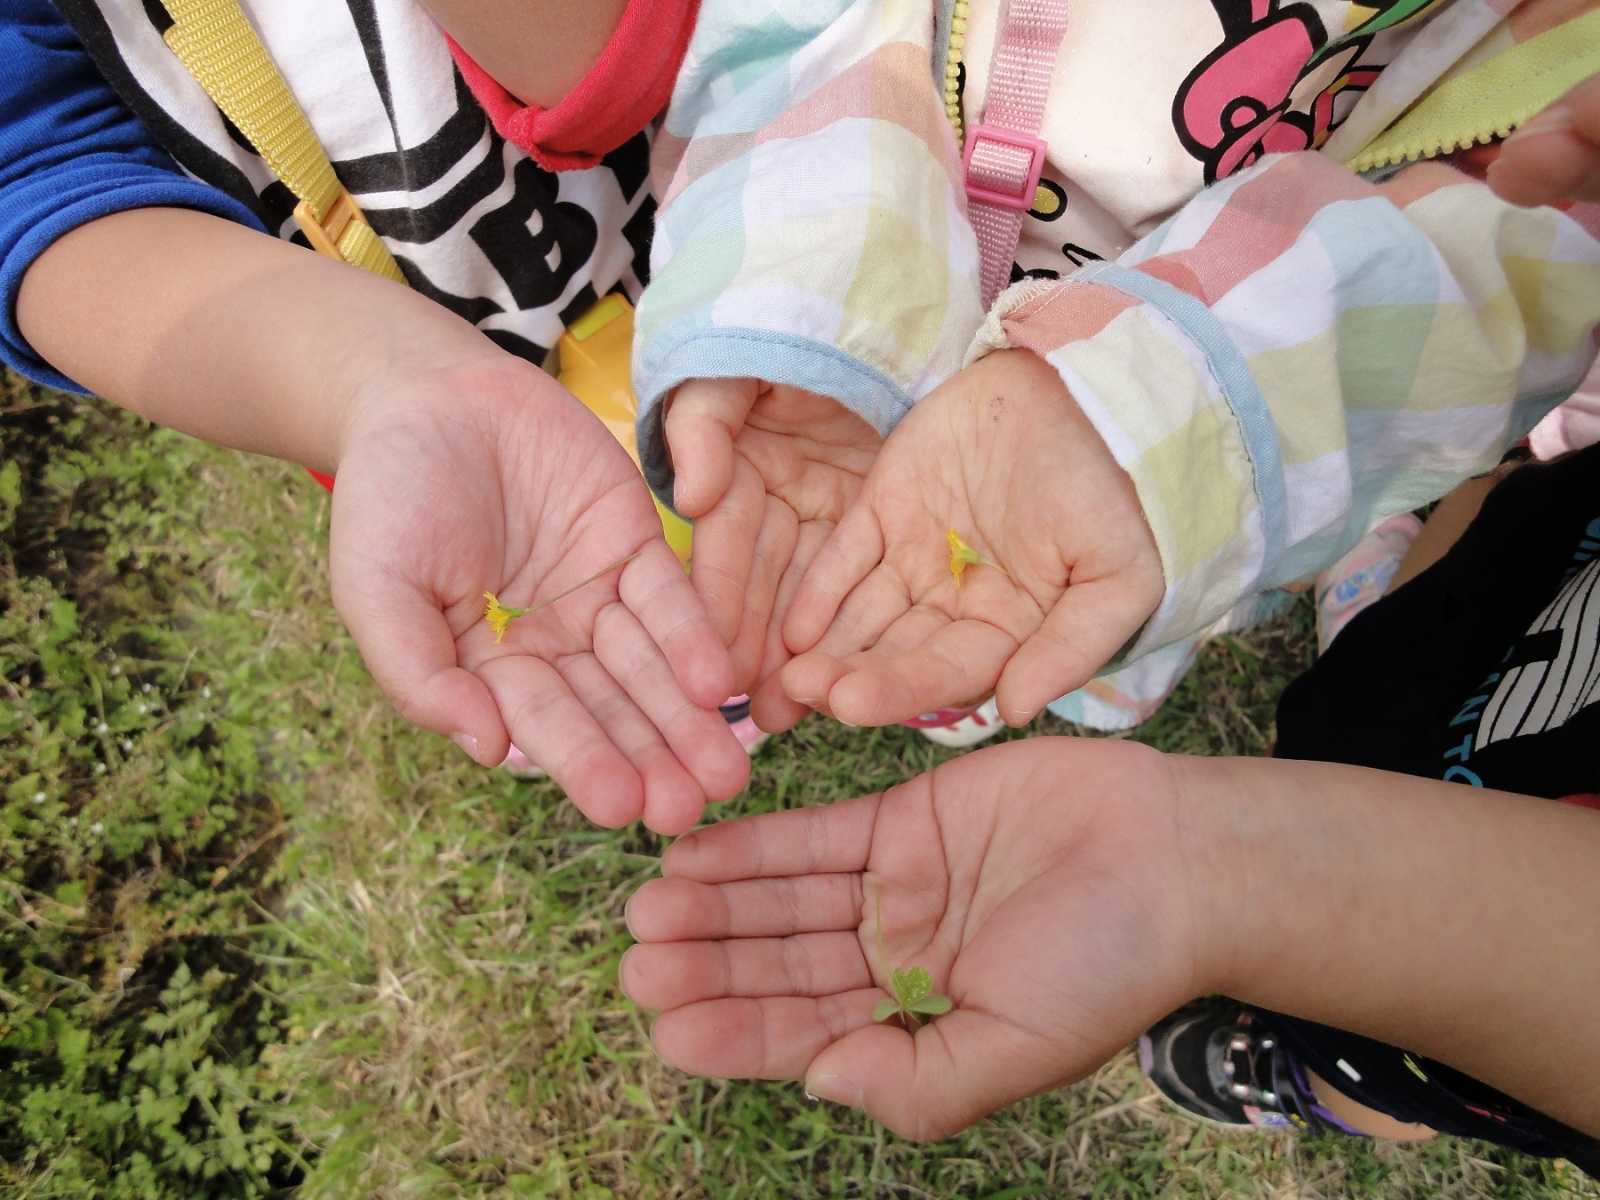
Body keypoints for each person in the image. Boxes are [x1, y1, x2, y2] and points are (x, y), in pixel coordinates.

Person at [618, 85, 1600, 1168]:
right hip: (1541, 596)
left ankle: (1334, 1078)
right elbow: (1524, 243)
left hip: (1539, 1008)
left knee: (1420, 1055)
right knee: (1429, 628)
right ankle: (1389, 585)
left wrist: (1209, 870)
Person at [629, 0, 1600, 741]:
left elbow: (1516, 262)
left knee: (1053, 598)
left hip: (1191, 371)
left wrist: (1147, 423)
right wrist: (794, 294)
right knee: (905, 581)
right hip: (902, 267)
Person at [1, 0, 752, 835]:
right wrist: (379, 381)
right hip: (395, 339)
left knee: (772, 497)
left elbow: (600, 73)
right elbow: (30, 165)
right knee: (643, 597)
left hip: (710, 199)